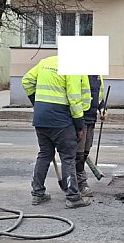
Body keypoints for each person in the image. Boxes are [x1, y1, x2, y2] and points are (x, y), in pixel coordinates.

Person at [22, 55, 91, 209]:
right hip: (60, 119)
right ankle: (73, 197)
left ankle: (38, 193)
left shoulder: (45, 62)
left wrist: (37, 103)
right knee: (68, 158)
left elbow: (26, 81)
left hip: (41, 118)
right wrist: (79, 126)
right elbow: (74, 99)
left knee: (45, 154)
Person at [76, 74, 105, 197]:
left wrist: (102, 108)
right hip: (79, 118)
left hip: (91, 119)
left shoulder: (97, 75)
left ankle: (77, 182)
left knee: (85, 152)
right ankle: (80, 184)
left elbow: (99, 96)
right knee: (78, 154)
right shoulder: (76, 72)